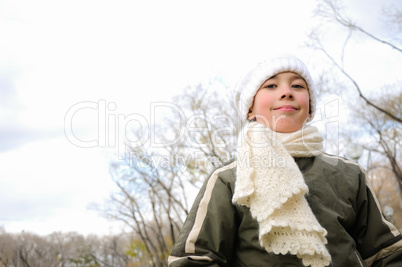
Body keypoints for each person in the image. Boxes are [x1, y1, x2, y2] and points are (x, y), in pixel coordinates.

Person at [168, 56, 402, 266]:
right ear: (250, 110)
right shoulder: (229, 178)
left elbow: (386, 253)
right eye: (271, 85)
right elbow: (195, 259)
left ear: (310, 107)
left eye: (297, 86)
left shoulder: (349, 173)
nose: (287, 92)